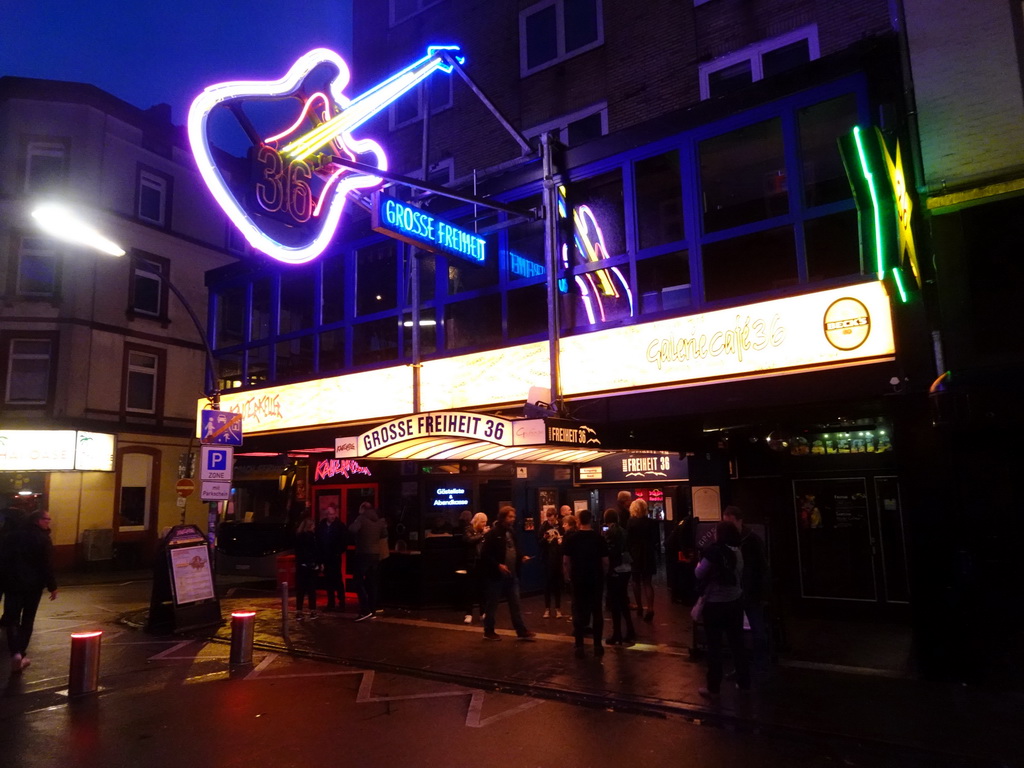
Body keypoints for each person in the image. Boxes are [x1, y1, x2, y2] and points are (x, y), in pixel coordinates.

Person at [694, 521, 750, 698]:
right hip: (735, 601)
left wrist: (697, 566)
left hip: (715, 604)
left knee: (714, 646)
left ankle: (713, 687)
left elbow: (699, 573)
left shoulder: (713, 551)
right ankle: (744, 681)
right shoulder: (738, 551)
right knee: (737, 643)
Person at [1, 509, 58, 673]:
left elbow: (3, 560)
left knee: (12, 619)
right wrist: (52, 586)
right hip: (33, 586)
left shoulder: (11, 536)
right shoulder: (42, 538)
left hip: (12, 584)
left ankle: (15, 653)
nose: (49, 522)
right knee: (27, 619)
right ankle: (21, 653)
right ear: (37, 520)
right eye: (46, 519)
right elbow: (46, 564)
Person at [722, 505, 771, 672]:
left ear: (739, 521)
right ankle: (749, 664)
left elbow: (762, 567)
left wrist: (762, 591)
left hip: (749, 590)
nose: (728, 527)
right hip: (740, 590)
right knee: (742, 629)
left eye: (730, 523)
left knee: (755, 628)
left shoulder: (749, 540)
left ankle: (758, 662)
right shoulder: (746, 539)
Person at [479, 506, 535, 641]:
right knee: (492, 604)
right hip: (497, 576)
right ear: (503, 517)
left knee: (515, 603)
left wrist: (521, 557)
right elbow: (485, 554)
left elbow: (515, 549)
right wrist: (498, 565)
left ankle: (521, 630)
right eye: (510, 517)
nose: (513, 519)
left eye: (513, 517)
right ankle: (488, 630)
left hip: (512, 574)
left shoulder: (512, 532)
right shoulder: (493, 534)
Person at [562, 509, 609, 658]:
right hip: (595, 578)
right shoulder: (599, 538)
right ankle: (597, 645)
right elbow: (605, 561)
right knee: (596, 610)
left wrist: (568, 575)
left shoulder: (572, 539)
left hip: (578, 577)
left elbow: (566, 561)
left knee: (578, 609)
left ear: (578, 521)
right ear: (591, 520)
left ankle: (579, 645)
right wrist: (603, 574)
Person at [602, 508, 636, 645]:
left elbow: (610, 551)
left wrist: (609, 569)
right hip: (626, 567)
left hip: (615, 569)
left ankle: (617, 633)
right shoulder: (623, 530)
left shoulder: (610, 532)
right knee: (623, 600)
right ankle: (630, 630)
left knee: (615, 603)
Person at [349, 501, 387, 621]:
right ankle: (372, 610)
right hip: (375, 555)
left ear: (363, 509)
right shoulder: (379, 520)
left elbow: (352, 530)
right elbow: (384, 534)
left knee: (358, 581)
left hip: (363, 553)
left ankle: (364, 610)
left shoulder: (361, 518)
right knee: (372, 583)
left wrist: (358, 519)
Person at [627, 498, 657, 622]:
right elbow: (655, 539)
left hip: (635, 554)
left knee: (635, 581)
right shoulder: (651, 523)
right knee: (647, 582)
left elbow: (628, 540)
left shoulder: (630, 522)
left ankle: (639, 606)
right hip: (648, 553)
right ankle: (650, 608)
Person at [316, 503, 348, 612]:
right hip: (325, 556)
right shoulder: (321, 525)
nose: (332, 516)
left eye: (334, 514)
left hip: (334, 556)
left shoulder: (340, 526)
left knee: (337, 579)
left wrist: (338, 552)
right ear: (326, 514)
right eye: (330, 514)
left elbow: (344, 542)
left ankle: (341, 600)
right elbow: (319, 541)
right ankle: (331, 602)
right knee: (328, 580)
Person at [461, 512, 489, 624]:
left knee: (483, 588)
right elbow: (469, 540)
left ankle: (483, 612)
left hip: (482, 562)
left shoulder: (483, 531)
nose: (484, 524)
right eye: (483, 522)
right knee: (470, 589)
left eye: (485, 522)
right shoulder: (468, 529)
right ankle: (468, 613)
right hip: (472, 562)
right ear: (477, 521)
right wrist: (483, 534)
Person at [538, 508, 564, 619]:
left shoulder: (561, 526)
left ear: (556, 516)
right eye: (548, 519)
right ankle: (547, 609)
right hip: (547, 559)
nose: (550, 521)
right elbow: (539, 543)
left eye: (552, 519)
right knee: (547, 585)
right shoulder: (543, 527)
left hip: (558, 559)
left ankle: (558, 609)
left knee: (557, 585)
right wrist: (544, 538)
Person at [294, 515, 320, 620]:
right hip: (310, 567)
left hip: (301, 566)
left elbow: (299, 552)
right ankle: (312, 610)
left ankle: (299, 611)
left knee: (300, 590)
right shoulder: (311, 537)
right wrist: (315, 563)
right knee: (311, 590)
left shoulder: (298, 536)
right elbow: (314, 551)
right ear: (310, 526)